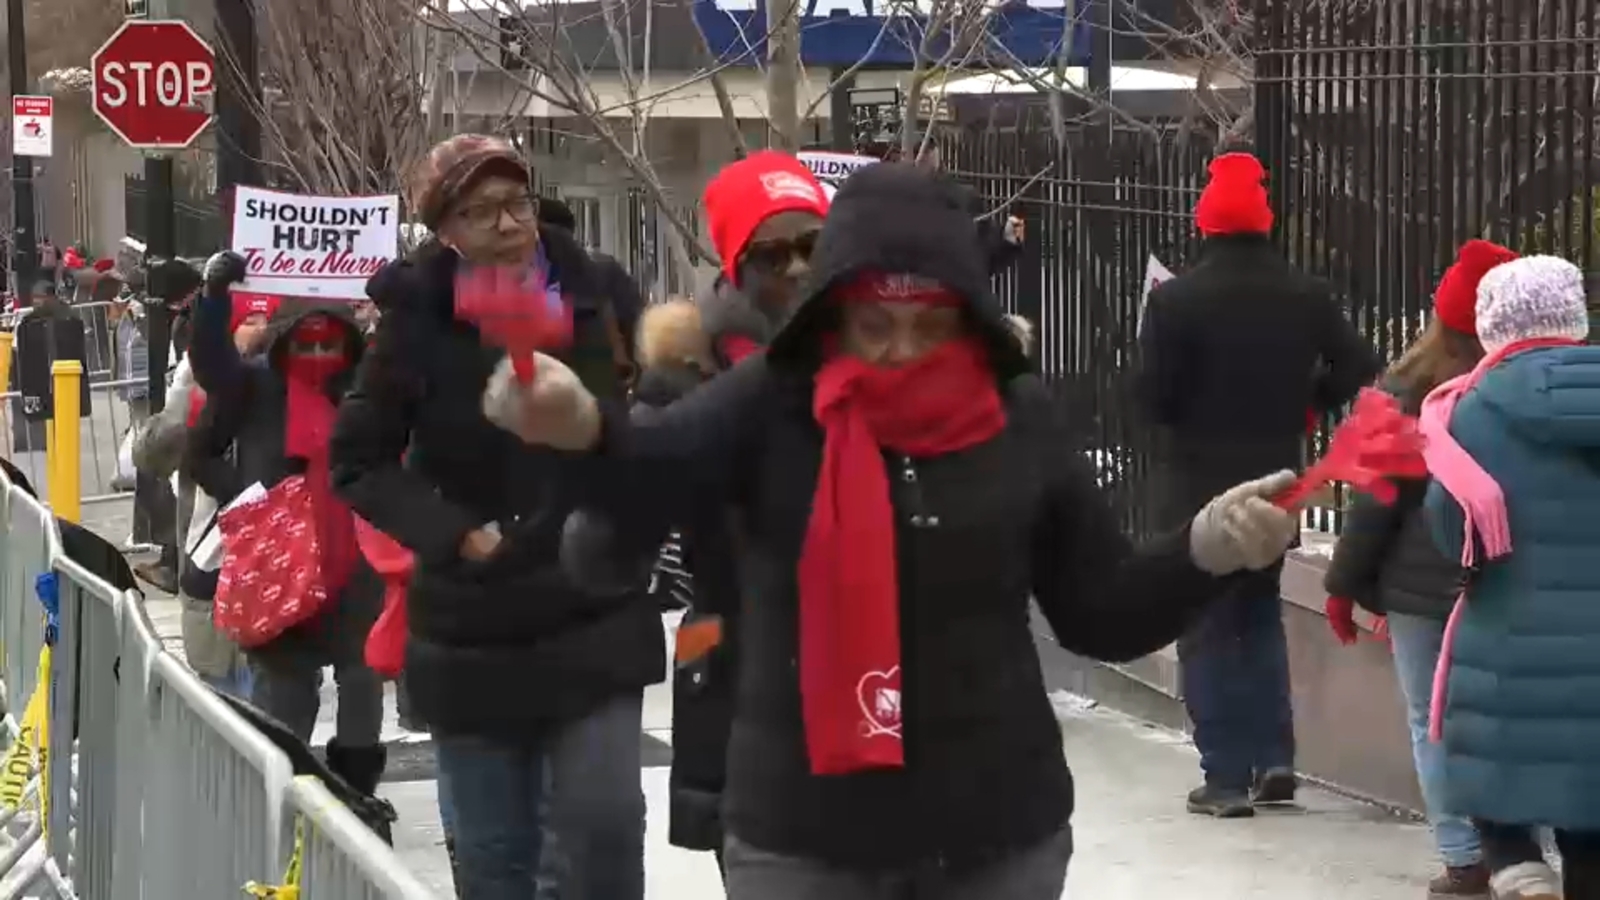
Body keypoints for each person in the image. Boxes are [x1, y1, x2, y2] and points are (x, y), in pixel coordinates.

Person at [485, 161, 1302, 899]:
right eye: (875, 323)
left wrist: (1205, 550)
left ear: (969, 315)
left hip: (997, 833)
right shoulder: (767, 405)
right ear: (832, 314)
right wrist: (584, 429)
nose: (902, 350)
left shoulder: (1018, 416)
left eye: (930, 324)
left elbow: (1100, 608)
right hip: (805, 836)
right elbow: (642, 480)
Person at [328, 133, 655, 900]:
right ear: (446, 231)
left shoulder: (598, 290)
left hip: (594, 605)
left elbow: (663, 408)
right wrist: (454, 533)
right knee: (495, 856)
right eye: (481, 214)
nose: (509, 224)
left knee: (603, 830)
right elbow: (358, 461)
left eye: (516, 202)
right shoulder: (414, 316)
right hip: (472, 625)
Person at [1135, 151, 1382, 817]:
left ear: (1206, 222)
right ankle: (1275, 758)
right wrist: (1308, 398)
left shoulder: (1175, 300)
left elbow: (1152, 399)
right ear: (1264, 221)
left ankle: (1223, 776)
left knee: (1207, 622)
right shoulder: (1305, 294)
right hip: (1278, 480)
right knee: (1258, 616)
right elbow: (1361, 363)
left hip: (1197, 486)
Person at [632, 151, 829, 877]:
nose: (799, 270)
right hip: (724, 637)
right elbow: (629, 520)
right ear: (737, 260)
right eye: (774, 254)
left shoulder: (874, 351)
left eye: (815, 246)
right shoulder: (682, 375)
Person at [1323, 240, 1521, 897]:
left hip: (1417, 588)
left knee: (1429, 719)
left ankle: (1463, 857)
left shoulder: (1407, 387)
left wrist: (1344, 584)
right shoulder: (1525, 387)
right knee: (1510, 716)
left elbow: (1376, 501)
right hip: (1505, 579)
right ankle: (1527, 851)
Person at [1422, 254, 1600, 900]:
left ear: (1493, 325)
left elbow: (1451, 528)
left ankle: (1517, 864)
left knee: (1493, 779)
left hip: (1507, 632)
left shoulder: (1467, 409)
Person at [183, 257, 387, 801]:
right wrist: (247, 498)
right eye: (306, 345)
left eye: (329, 345)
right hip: (276, 566)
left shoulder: (368, 391)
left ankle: (358, 796)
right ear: (284, 344)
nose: (318, 357)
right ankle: (283, 799)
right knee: (284, 697)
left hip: (355, 565)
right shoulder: (254, 390)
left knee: (363, 686)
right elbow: (198, 445)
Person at [132, 291, 277, 698]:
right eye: (250, 321)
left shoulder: (278, 391)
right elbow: (152, 457)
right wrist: (185, 389)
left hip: (270, 568)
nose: (260, 331)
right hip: (208, 566)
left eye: (265, 321)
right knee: (223, 699)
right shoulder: (196, 390)